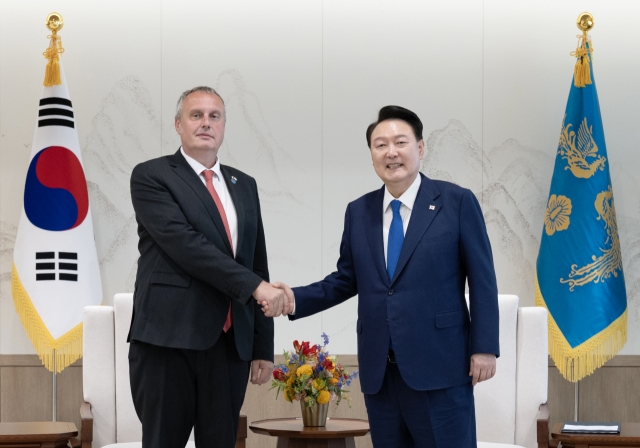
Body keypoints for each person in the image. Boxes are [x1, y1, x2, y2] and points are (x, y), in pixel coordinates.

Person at [270, 106, 499, 447]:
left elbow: (483, 281)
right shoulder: (359, 211)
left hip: (441, 369)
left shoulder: (456, 202)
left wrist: (484, 347)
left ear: (420, 148)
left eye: (400, 142)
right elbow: (346, 279)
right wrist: (294, 299)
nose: (391, 152)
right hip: (382, 373)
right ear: (372, 155)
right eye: (380, 145)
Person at [127, 86, 286, 448]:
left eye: (214, 116)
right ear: (178, 125)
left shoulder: (244, 185)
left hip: (228, 344)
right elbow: (187, 246)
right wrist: (256, 288)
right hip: (168, 342)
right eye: (195, 115)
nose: (205, 123)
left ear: (224, 126)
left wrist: (262, 345)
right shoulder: (152, 176)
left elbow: (255, 261)